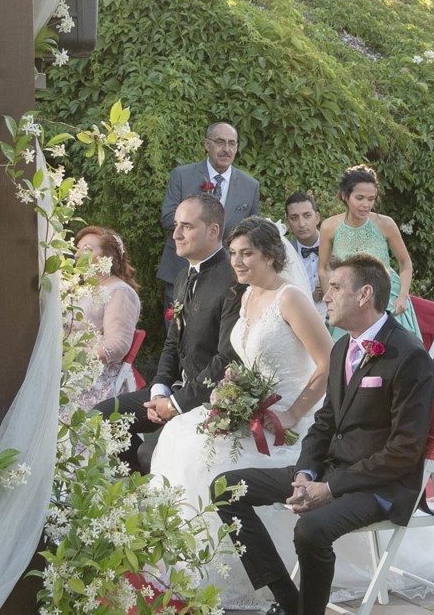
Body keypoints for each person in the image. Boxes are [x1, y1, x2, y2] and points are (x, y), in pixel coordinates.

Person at [212, 252, 434, 615]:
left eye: (335, 288)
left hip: (382, 485)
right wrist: (305, 473)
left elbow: (404, 452)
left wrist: (329, 488)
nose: (325, 295)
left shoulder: (409, 356)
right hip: (330, 471)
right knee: (226, 488)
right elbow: (323, 424)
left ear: (364, 294)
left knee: (311, 529)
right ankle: (288, 604)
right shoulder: (341, 350)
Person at [152, 218, 334, 609]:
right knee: (179, 436)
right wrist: (233, 392)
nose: (237, 261)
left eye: (246, 253)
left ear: (270, 255)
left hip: (288, 417)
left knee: (201, 460)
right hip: (248, 407)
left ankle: (243, 579)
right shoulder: (248, 294)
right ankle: (192, 566)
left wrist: (292, 414)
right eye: (233, 253)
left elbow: (329, 362)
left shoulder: (290, 299)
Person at [92, 193, 239, 472]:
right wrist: (159, 391)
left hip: (209, 397)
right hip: (175, 389)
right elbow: (173, 343)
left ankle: (157, 491)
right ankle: (139, 488)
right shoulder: (183, 276)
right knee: (99, 418)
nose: (176, 234)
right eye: (175, 225)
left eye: (186, 226)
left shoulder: (233, 281)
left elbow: (227, 358)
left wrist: (175, 404)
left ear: (213, 230)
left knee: (151, 452)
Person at [157, 121, 260, 296]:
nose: (226, 149)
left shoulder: (250, 186)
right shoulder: (182, 176)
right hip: (182, 270)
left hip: (227, 277)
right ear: (207, 144)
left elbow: (254, 232)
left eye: (232, 143)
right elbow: (167, 217)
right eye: (220, 142)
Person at [317, 166, 417, 333]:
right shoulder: (329, 227)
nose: (366, 205)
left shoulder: (386, 224)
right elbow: (323, 268)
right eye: (360, 198)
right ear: (345, 196)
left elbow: (405, 262)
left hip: (386, 303)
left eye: (371, 199)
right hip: (347, 304)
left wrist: (403, 296)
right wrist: (332, 299)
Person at [70, 227, 143, 410]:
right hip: (68, 369)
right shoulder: (78, 288)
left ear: (108, 257)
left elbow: (116, 346)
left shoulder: (119, 291)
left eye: (87, 249)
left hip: (94, 378)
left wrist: (72, 356)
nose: (78, 254)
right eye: (77, 249)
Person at [285, 191, 325, 304]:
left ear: (317, 218)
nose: (301, 224)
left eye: (307, 216)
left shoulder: (335, 246)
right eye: (294, 218)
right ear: (288, 222)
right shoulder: (284, 254)